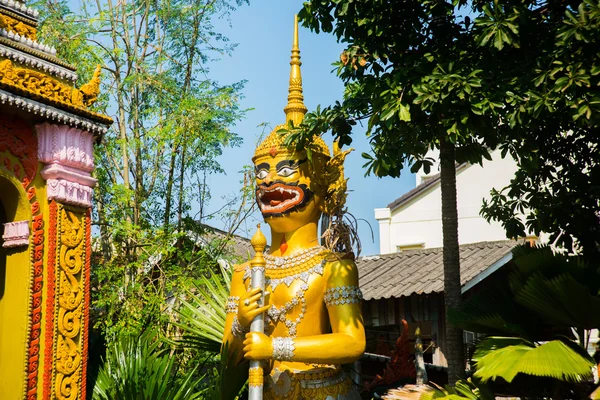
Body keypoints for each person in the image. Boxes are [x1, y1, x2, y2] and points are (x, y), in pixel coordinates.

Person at [221, 15, 365, 400]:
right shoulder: (248, 272)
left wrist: (277, 349)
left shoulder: (333, 266)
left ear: (322, 186)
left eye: (285, 169)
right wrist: (241, 325)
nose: (268, 181)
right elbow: (226, 372)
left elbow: (352, 342)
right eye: (261, 171)